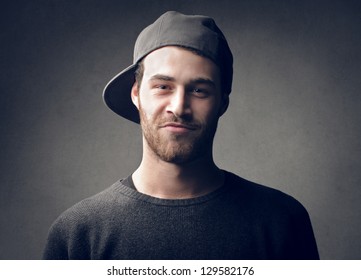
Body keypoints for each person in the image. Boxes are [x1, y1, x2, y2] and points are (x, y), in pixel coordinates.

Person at [43, 11, 319, 260]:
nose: (179, 107)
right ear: (136, 94)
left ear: (222, 103)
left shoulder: (281, 221)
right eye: (163, 86)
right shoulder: (77, 233)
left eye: (199, 90)